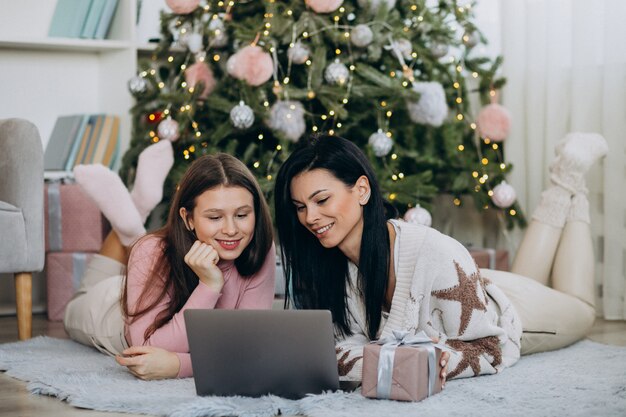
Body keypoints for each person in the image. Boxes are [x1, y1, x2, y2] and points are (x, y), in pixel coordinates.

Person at [274, 132, 607, 386]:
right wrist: (400, 361)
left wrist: (429, 359)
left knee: (582, 306)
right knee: (529, 277)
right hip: (477, 285)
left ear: (361, 190)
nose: (310, 217)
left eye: (321, 200)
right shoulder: (331, 266)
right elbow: (336, 352)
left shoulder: (430, 251)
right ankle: (568, 181)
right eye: (300, 207)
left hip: (516, 318)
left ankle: (569, 179)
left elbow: (490, 346)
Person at [63, 147, 276, 380]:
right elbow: (149, 346)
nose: (231, 230)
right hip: (109, 310)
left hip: (143, 287)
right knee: (76, 304)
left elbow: (249, 349)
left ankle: (134, 217)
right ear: (188, 218)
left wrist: (178, 364)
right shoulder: (152, 251)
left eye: (242, 215)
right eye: (215, 217)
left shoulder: (260, 248)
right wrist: (209, 285)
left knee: (143, 251)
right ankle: (135, 216)